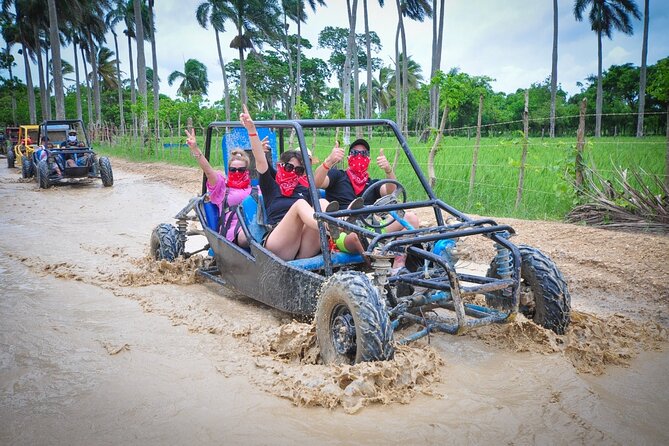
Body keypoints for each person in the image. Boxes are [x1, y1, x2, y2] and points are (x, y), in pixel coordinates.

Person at [237, 105, 334, 261]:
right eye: (289, 167)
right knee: (300, 205)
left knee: (321, 202)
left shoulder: (303, 189)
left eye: (298, 170)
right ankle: (332, 226)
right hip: (278, 242)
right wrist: (251, 130)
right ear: (280, 166)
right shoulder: (271, 184)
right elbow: (260, 160)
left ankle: (338, 226)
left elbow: (317, 184)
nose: (293, 172)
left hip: (302, 248)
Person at [314, 138, 420, 261]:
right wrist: (329, 161)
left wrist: (388, 170)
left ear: (368, 159)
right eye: (355, 153)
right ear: (348, 157)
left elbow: (391, 191)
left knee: (411, 218)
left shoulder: (372, 184)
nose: (359, 156)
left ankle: (398, 264)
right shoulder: (337, 176)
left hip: (370, 229)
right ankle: (349, 225)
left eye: (363, 154)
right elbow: (316, 183)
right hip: (342, 233)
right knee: (354, 235)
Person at [185, 128, 253, 247]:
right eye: (233, 169)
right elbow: (209, 171)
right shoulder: (222, 187)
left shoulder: (253, 188)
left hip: (254, 225)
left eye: (241, 170)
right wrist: (195, 149)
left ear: (246, 171)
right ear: (229, 170)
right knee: (252, 235)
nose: (237, 172)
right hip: (234, 232)